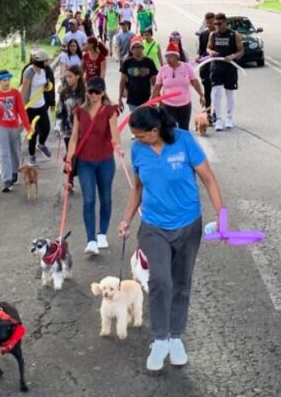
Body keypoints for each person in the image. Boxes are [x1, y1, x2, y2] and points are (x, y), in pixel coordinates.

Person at [118, 106, 223, 371]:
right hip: (154, 226)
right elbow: (139, 187)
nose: (136, 139)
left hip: (188, 224)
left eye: (141, 135)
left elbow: (208, 178)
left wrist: (222, 216)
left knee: (181, 282)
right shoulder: (139, 150)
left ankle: (176, 337)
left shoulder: (184, 141)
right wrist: (126, 219)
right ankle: (160, 339)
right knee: (160, 280)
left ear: (156, 131)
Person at [65, 77, 124, 255]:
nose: (94, 95)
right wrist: (69, 159)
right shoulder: (79, 112)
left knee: (105, 198)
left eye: (97, 91)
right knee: (89, 199)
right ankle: (91, 239)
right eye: (91, 91)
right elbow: (75, 137)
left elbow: (114, 133)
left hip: (105, 160)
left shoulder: (110, 111)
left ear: (104, 92)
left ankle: (102, 234)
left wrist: (118, 146)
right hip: (85, 162)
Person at [0, 70, 32, 192]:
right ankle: (7, 179)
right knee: (4, 153)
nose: (6, 82)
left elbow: (21, 111)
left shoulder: (15, 93)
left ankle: (15, 172)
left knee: (15, 151)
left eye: (8, 80)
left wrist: (28, 127)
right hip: (1, 127)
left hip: (14, 126)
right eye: (4, 80)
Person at [151, 42, 204, 131]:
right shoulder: (163, 69)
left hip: (184, 104)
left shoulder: (187, 67)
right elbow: (157, 86)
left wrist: (201, 95)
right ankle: (172, 144)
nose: (168, 59)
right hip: (168, 105)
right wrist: (152, 100)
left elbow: (194, 82)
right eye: (167, 56)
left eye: (171, 56)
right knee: (170, 130)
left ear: (177, 57)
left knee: (184, 129)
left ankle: (182, 144)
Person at [206, 13, 244, 131]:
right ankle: (218, 119)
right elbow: (208, 48)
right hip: (216, 66)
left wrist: (233, 56)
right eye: (215, 23)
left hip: (230, 67)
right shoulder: (213, 34)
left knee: (229, 93)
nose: (217, 26)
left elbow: (241, 50)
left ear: (225, 23)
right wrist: (211, 52)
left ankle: (229, 117)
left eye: (219, 23)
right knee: (216, 92)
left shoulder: (234, 34)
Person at [22, 49, 56, 165]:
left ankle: (41, 144)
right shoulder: (29, 72)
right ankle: (32, 155)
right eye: (46, 61)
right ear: (41, 61)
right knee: (33, 131)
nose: (48, 63)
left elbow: (46, 84)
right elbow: (23, 91)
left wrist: (47, 86)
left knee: (46, 127)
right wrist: (21, 108)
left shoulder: (45, 71)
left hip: (41, 104)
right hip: (30, 106)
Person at [56, 65, 86, 192]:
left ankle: (86, 180)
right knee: (70, 154)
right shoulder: (64, 93)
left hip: (84, 131)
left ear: (78, 76)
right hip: (68, 129)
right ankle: (70, 181)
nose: (68, 79)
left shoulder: (85, 93)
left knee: (83, 156)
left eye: (70, 76)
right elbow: (60, 110)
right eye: (66, 77)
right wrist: (58, 126)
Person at [118, 36, 158, 113]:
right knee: (136, 122)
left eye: (139, 47)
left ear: (143, 48)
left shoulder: (149, 62)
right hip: (132, 99)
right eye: (135, 48)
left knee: (146, 122)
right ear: (131, 50)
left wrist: (156, 97)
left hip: (147, 98)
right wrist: (120, 99)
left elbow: (155, 82)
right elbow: (122, 80)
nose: (137, 50)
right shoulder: (127, 62)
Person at [196, 12, 216, 122]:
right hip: (206, 66)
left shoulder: (219, 34)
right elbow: (201, 51)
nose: (209, 25)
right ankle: (208, 113)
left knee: (217, 92)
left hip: (217, 66)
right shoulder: (203, 35)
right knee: (207, 91)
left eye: (211, 22)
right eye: (207, 23)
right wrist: (199, 57)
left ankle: (216, 113)